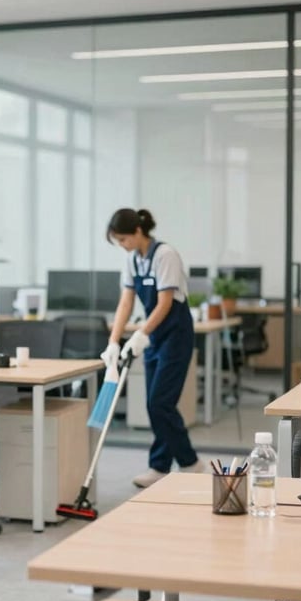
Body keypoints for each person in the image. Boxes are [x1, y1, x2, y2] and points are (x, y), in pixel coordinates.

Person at [101, 207, 204, 488]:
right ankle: (160, 466)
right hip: (155, 336)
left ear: (137, 231)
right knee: (155, 403)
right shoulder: (133, 260)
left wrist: (140, 335)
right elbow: (126, 302)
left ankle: (191, 463)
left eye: (123, 239)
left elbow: (165, 302)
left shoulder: (164, 255)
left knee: (160, 402)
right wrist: (114, 340)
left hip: (176, 334)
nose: (122, 246)